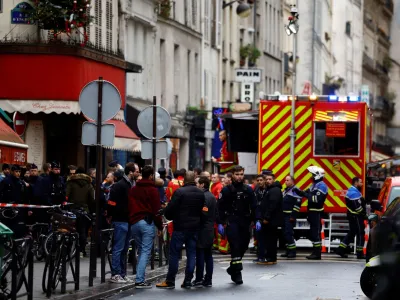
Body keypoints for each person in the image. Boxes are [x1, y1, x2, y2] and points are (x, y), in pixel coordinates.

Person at [156, 171, 205, 289]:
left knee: (174, 254)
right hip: (194, 228)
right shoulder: (200, 193)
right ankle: (188, 280)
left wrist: (169, 215)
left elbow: (171, 208)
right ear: (194, 179)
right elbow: (202, 209)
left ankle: (170, 280)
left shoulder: (180, 192)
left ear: (184, 180)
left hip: (180, 227)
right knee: (191, 254)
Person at [217, 166, 256, 284]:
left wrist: (257, 219)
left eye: (241, 174)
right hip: (231, 220)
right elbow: (219, 208)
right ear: (232, 175)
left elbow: (254, 206)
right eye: (237, 174)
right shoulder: (226, 190)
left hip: (245, 221)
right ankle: (237, 273)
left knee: (244, 245)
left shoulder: (248, 190)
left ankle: (232, 268)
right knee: (235, 246)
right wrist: (220, 222)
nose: (239, 176)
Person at [129, 165, 162, 289]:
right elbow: (156, 210)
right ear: (151, 175)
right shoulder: (153, 190)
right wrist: (159, 226)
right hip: (147, 222)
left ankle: (139, 278)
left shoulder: (133, 189)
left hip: (134, 222)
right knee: (145, 251)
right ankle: (139, 280)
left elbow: (130, 205)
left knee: (141, 250)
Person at [107, 162, 139, 284]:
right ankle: (115, 274)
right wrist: (111, 214)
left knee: (125, 248)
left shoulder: (132, 185)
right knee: (118, 248)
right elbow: (111, 202)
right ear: (130, 172)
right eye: (136, 171)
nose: (138, 173)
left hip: (128, 220)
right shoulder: (120, 185)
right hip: (120, 220)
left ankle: (122, 273)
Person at [294, 166, 328, 260]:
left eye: (313, 175)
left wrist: (305, 194)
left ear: (317, 175)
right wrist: (298, 191)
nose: (311, 176)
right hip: (312, 212)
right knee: (313, 233)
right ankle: (315, 252)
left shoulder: (322, 186)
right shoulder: (314, 185)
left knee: (315, 233)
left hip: (317, 213)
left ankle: (317, 253)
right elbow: (306, 193)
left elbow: (315, 199)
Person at [193, 176, 219, 288]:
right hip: (209, 229)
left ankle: (199, 278)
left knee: (201, 255)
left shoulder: (203, 197)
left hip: (203, 229)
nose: (196, 185)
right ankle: (208, 279)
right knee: (208, 255)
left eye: (197, 183)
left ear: (202, 184)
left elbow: (204, 213)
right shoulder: (212, 196)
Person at [66, 167, 95, 257]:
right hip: (84, 210)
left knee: (71, 230)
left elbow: (66, 195)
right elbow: (92, 199)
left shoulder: (71, 183)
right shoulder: (89, 184)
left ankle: (70, 249)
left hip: (72, 209)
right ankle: (81, 250)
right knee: (83, 231)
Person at [335, 177, 366, 259]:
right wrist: (364, 214)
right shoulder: (353, 193)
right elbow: (357, 207)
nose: (362, 184)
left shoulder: (353, 191)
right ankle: (360, 253)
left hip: (353, 216)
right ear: (356, 183)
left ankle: (340, 249)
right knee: (360, 233)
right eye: (360, 182)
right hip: (356, 216)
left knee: (352, 233)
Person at [255, 173, 283, 265]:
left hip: (271, 220)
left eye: (270, 179)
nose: (267, 181)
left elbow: (272, 205)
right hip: (269, 220)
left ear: (273, 180)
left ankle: (271, 258)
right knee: (268, 239)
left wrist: (266, 217)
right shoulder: (269, 189)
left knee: (271, 240)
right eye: (266, 179)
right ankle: (269, 257)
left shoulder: (274, 190)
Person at [281, 175, 302, 258]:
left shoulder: (295, 190)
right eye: (285, 180)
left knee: (288, 233)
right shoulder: (286, 190)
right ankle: (288, 251)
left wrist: (293, 216)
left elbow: (297, 205)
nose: (285, 182)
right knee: (285, 234)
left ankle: (292, 252)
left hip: (290, 215)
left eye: (287, 180)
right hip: (284, 215)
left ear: (292, 181)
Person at [253, 174, 267, 263]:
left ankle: (264, 256)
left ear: (264, 180)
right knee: (259, 238)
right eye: (258, 180)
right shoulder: (257, 190)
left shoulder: (267, 190)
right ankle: (260, 256)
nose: (259, 182)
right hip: (258, 217)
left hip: (266, 218)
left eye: (261, 180)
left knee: (265, 238)